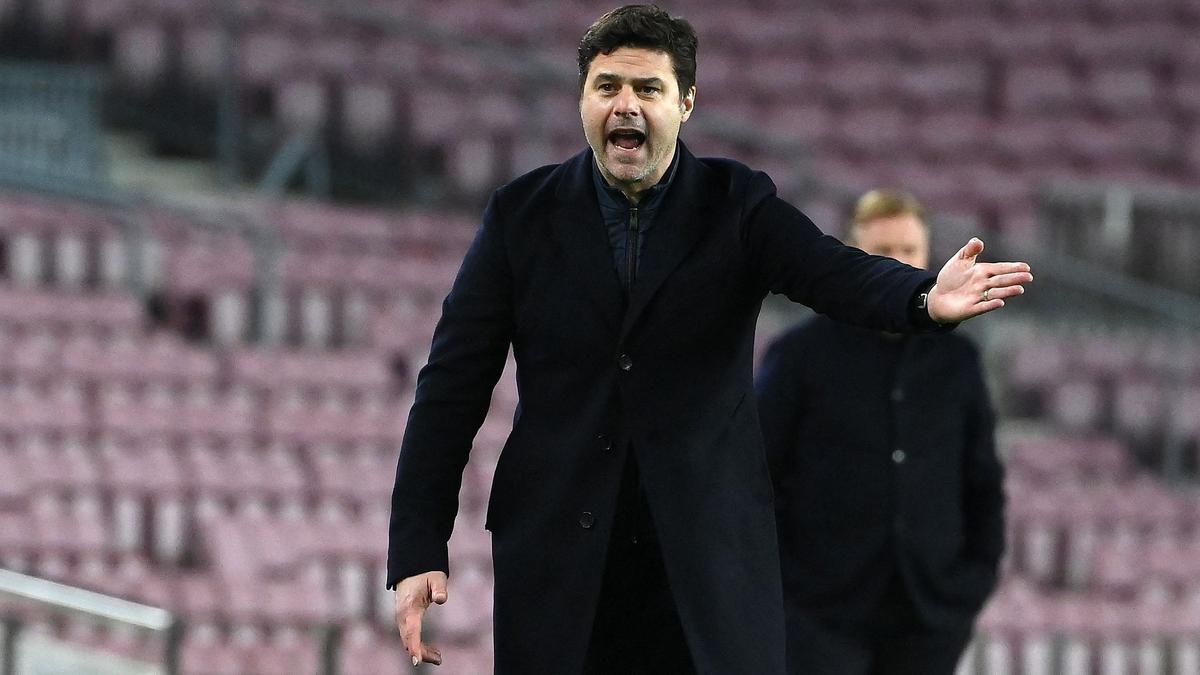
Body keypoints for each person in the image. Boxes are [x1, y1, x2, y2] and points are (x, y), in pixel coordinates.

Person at [386, 6, 1031, 674]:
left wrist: (921, 297)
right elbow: (451, 388)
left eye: (648, 89)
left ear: (686, 102)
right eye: (607, 87)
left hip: (706, 566)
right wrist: (416, 546)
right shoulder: (520, 216)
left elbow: (830, 270)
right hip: (561, 561)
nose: (625, 105)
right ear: (583, 98)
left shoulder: (737, 204)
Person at [756, 189, 1006, 675]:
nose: (898, 264)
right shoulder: (798, 355)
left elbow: (982, 482)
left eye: (909, 251)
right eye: (881, 252)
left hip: (929, 614)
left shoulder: (959, 362)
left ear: (929, 255)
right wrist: (785, 588)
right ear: (850, 254)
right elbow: (759, 475)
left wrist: (972, 581)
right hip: (818, 614)